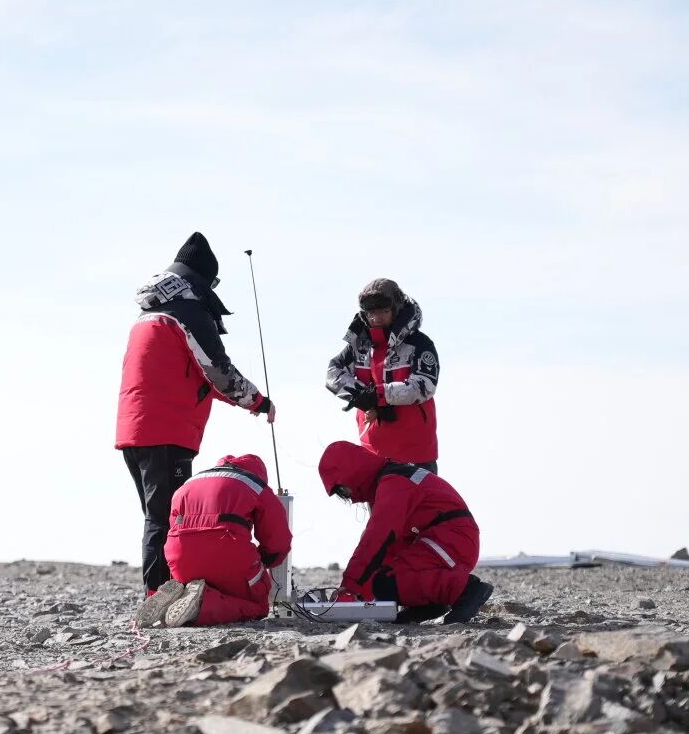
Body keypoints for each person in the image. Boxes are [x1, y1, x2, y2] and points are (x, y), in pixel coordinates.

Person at [116, 232, 275, 594]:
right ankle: (158, 595)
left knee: (157, 516)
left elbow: (193, 376)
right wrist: (257, 401)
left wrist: (240, 399)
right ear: (203, 279)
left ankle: (163, 591)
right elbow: (218, 371)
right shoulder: (186, 312)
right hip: (166, 431)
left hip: (135, 428)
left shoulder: (148, 314)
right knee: (167, 519)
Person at [317, 440, 491, 624]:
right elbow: (389, 550)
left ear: (352, 473)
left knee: (384, 582)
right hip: (446, 541)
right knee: (385, 580)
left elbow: (377, 538)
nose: (348, 496)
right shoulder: (392, 480)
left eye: (343, 489)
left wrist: (350, 586)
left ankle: (466, 590)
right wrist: (361, 597)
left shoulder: (394, 483)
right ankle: (428, 603)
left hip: (452, 541)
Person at [134, 453, 291, 628]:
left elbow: (173, 528)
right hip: (228, 553)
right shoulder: (256, 486)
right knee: (259, 605)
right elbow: (278, 541)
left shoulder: (189, 483)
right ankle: (200, 604)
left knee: (205, 579)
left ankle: (176, 596)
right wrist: (265, 560)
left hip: (182, 563)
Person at [325, 278, 440, 472]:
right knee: (379, 503)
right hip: (373, 451)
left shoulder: (419, 343)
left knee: (420, 502)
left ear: (396, 310)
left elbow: (424, 386)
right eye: (371, 313)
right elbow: (333, 372)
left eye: (383, 311)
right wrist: (361, 395)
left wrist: (378, 395)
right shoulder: (359, 345)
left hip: (416, 453)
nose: (376, 318)